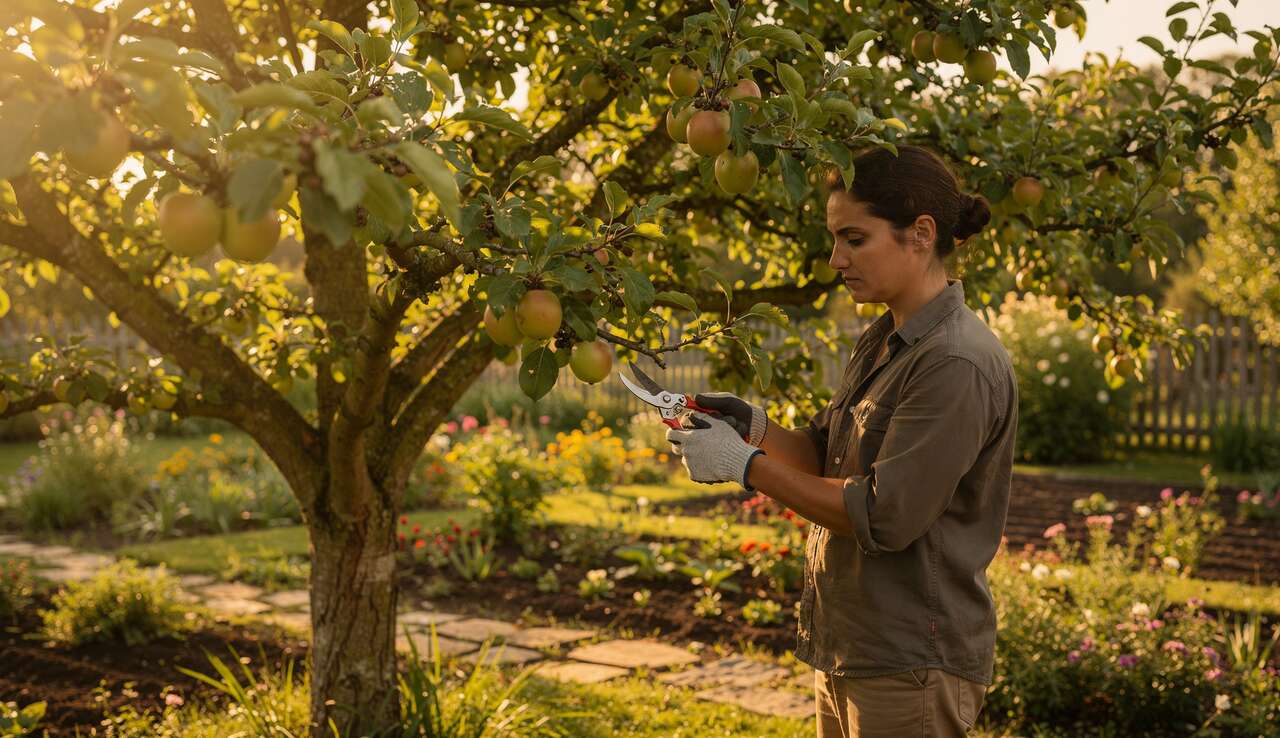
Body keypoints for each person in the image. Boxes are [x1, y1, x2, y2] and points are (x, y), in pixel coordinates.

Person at [666, 145, 1018, 738]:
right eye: (835, 239)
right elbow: (824, 454)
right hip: (851, 645)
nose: (836, 259)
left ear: (921, 234)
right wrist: (752, 427)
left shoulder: (954, 362)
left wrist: (744, 465)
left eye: (855, 239)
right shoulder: (883, 338)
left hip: (910, 661)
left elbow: (883, 514)